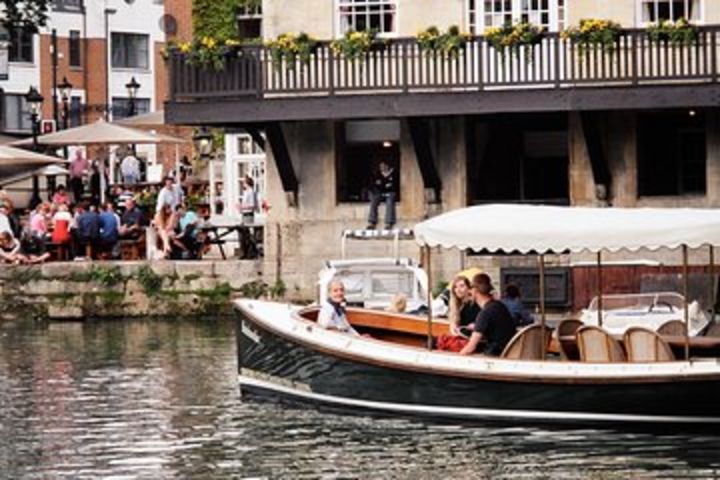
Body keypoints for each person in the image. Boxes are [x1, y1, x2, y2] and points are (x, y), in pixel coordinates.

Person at [459, 274, 517, 356]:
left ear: (475, 290)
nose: (469, 291)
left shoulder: (485, 313)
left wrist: (456, 358)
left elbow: (470, 347)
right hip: (510, 352)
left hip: (495, 358)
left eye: (471, 288)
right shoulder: (499, 305)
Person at [367, 159, 398, 230]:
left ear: (387, 166)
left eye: (383, 166)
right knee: (373, 201)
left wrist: (386, 185)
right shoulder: (378, 174)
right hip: (380, 193)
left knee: (390, 201)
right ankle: (372, 222)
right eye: (380, 167)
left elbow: (394, 185)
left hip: (391, 193)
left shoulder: (394, 173)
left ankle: (389, 223)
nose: (382, 168)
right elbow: (375, 184)